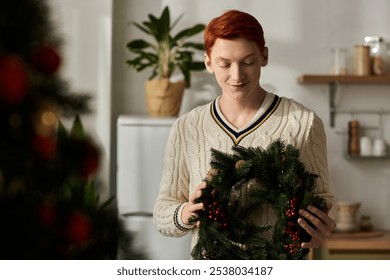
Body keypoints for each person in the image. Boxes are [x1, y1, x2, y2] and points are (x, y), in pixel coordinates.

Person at [153, 9, 336, 257]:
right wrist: (186, 212)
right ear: (208, 62)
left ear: (264, 56)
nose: (237, 75)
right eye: (225, 64)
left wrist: (321, 227)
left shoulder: (303, 122)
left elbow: (325, 199)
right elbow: (163, 211)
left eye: (248, 62)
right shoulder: (187, 127)